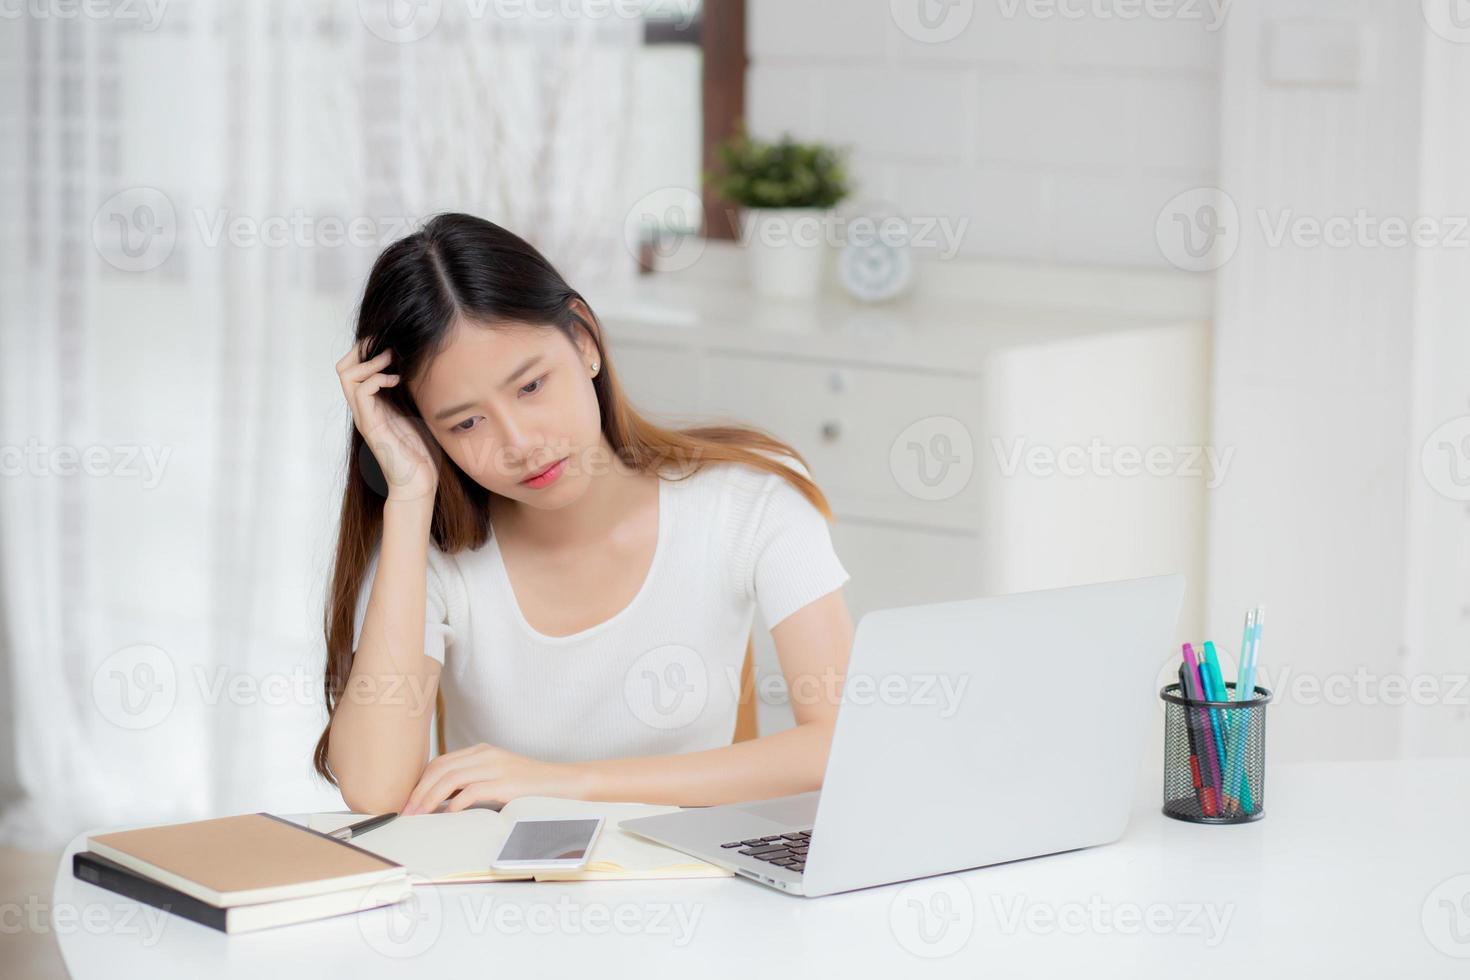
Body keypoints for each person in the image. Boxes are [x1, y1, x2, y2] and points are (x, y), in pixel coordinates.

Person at [316, 213, 854, 815]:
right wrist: (410, 498)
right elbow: (374, 790)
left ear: (584, 342)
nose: (520, 442)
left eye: (531, 386)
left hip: (694, 892)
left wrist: (566, 784)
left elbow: (841, 746)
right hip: (504, 901)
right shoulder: (429, 559)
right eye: (465, 423)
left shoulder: (749, 499)